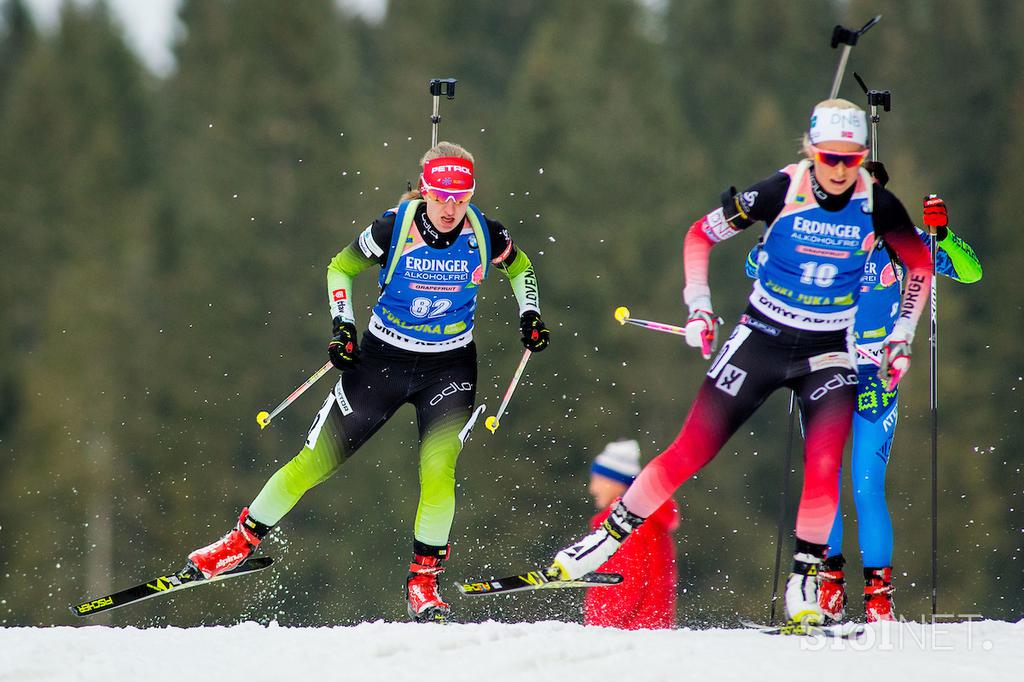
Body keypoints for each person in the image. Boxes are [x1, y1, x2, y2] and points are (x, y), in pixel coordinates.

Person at [549, 98, 934, 628]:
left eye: (851, 159)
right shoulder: (781, 191)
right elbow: (699, 235)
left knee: (825, 465)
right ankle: (606, 538)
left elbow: (919, 265)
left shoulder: (879, 205)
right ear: (811, 151)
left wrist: (903, 335)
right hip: (761, 339)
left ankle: (807, 578)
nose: (841, 170)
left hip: (828, 352)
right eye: (829, 158)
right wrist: (700, 307)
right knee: (692, 449)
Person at [184, 141, 551, 622]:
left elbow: (520, 267)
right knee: (315, 462)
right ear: (425, 190)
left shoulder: (485, 232)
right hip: (382, 361)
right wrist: (342, 325)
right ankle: (239, 542)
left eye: (460, 198)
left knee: (439, 472)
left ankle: (423, 582)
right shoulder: (393, 227)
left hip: (449, 366)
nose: (450, 208)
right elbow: (341, 266)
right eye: (441, 196)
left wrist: (530, 313)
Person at [743, 191, 981, 622]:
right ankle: (827, 589)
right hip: (824, 371)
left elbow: (971, 271)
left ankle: (878, 601)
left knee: (866, 486)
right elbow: (753, 265)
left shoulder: (899, 241)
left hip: (876, 378)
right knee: (823, 483)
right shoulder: (819, 235)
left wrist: (941, 235)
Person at [583, 440, 678, 630]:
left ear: (616, 481)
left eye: (598, 480)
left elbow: (622, 585)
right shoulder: (644, 519)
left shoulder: (626, 524)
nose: (592, 488)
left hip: (627, 637)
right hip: (643, 635)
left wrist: (597, 630)